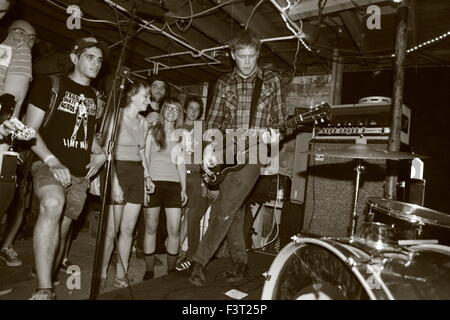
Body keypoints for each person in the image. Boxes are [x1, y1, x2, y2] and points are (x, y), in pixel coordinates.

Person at [188, 30, 286, 287]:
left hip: (254, 151)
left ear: (258, 54)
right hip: (225, 150)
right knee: (235, 209)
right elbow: (213, 122)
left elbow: (280, 122)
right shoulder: (224, 83)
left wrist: (274, 137)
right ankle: (240, 263)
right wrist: (208, 148)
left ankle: (199, 261)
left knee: (224, 206)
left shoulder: (271, 82)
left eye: (252, 56)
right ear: (232, 55)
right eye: (241, 56)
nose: (247, 62)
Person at [24, 37, 108, 300]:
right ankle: (44, 290)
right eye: (89, 57)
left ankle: (47, 278)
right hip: (48, 163)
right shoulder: (49, 84)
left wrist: (100, 155)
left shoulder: (95, 97)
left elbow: (88, 136)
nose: (95, 63)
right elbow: (29, 131)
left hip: (80, 174)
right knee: (52, 204)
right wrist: (53, 161)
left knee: (62, 232)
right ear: (74, 58)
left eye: (99, 59)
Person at [100, 80, 151, 288]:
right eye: (145, 96)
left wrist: (147, 177)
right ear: (132, 96)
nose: (149, 100)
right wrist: (114, 183)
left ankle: (121, 274)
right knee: (112, 230)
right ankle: (101, 273)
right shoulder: (117, 116)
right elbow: (107, 152)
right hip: (117, 170)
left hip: (136, 173)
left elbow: (141, 153)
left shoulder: (144, 122)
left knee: (128, 229)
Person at [0, 18, 35, 296]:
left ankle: (6, 247)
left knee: (17, 204)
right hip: (2, 145)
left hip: (13, 149)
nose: (29, 41)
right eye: (28, 36)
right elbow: (10, 104)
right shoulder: (19, 47)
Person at [142, 98, 187, 280]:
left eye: (175, 109)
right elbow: (144, 158)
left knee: (174, 229)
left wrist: (184, 189)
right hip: (154, 183)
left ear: (179, 114)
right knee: (151, 228)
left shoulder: (180, 135)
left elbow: (181, 164)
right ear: (163, 111)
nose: (171, 112)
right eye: (168, 108)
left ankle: (170, 270)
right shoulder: (152, 130)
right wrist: (146, 182)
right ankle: (149, 270)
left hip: (174, 185)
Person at [176, 96, 217, 271]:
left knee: (193, 217)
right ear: (185, 109)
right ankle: (172, 250)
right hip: (176, 175)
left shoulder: (203, 129)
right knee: (175, 217)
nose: (193, 111)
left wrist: (206, 182)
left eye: (197, 109)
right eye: (190, 108)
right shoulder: (176, 126)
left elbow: (209, 158)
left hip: (196, 177)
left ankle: (191, 255)